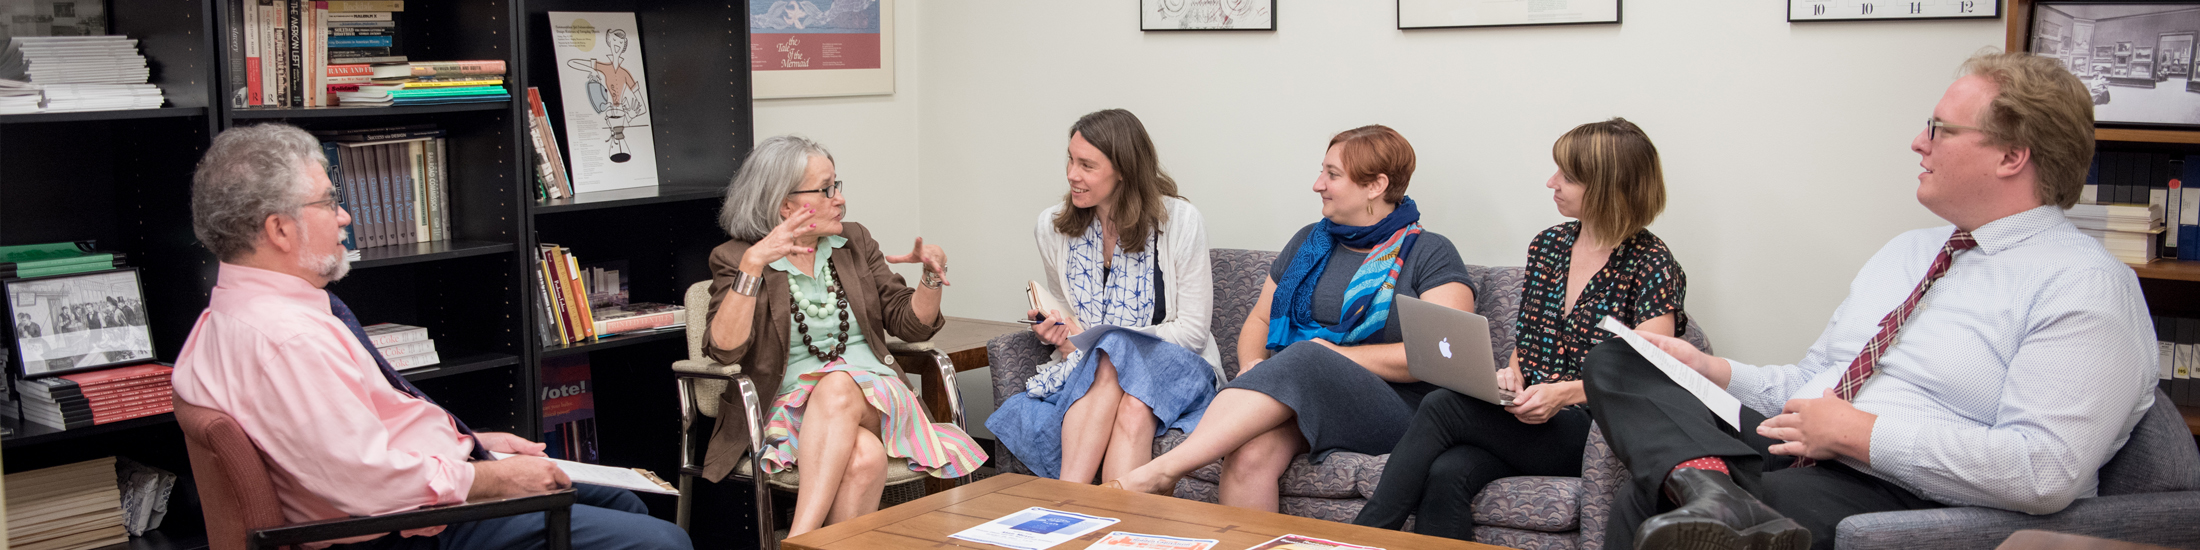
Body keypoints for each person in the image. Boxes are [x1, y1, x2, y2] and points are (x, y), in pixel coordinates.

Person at [1586, 51, 2156, 550]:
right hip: (1800, 445)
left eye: (1940, 129)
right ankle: (1710, 488)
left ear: (2012, 156)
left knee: (1650, 504)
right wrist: (1718, 372)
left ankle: (1712, 495)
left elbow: (2045, 470)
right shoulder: (1907, 252)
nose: (1918, 142)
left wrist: (1859, 433)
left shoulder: (2084, 283)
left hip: (1904, 492)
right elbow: (1816, 382)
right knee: (1626, 357)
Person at [170, 123, 690, 550]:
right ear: (280, 230)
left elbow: (339, 446)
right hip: (404, 532)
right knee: (661, 543)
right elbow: (365, 484)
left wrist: (472, 444)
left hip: (405, 498)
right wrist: (490, 478)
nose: (346, 217)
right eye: (330, 203)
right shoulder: (286, 339)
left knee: (622, 501)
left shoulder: (224, 317)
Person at [1105, 125, 1477, 512]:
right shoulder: (1307, 242)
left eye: (1333, 175)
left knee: (1304, 356)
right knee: (1248, 455)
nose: (1318, 184)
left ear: (1376, 185)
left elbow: (1443, 357)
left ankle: (1162, 472)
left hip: (1400, 411)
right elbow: (1260, 322)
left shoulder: (1430, 252)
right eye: (1323, 171)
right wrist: (1255, 369)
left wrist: (1329, 356)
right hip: (1304, 393)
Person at [1351, 118, 1686, 540]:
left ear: (1605, 185)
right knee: (1447, 472)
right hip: (1528, 417)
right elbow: (1528, 339)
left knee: (1442, 405)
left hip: (1594, 431)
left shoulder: (1651, 263)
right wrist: (1513, 374)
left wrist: (1564, 392)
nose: (1552, 182)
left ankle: (1356, 541)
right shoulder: (1548, 246)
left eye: (1567, 176)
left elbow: (1650, 370)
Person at [699, 134, 986, 537]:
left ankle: (799, 539)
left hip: (878, 398)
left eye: (838, 186)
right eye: (827, 189)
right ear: (786, 204)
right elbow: (725, 351)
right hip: (789, 409)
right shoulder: (735, 258)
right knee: (864, 458)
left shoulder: (853, 242)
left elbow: (912, 325)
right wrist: (753, 264)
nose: (840, 199)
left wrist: (929, 277)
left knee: (836, 385)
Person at [988, 109, 1223, 484]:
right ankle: (1112, 530)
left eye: (1087, 165)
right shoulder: (1052, 228)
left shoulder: (1180, 221)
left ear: (1124, 171)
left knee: (1114, 349)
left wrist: (1115, 342)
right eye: (1070, 159)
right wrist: (1059, 334)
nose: (1071, 174)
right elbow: (1068, 315)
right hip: (1096, 369)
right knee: (1132, 407)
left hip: (1180, 364)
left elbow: (1193, 333)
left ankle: (1068, 501)